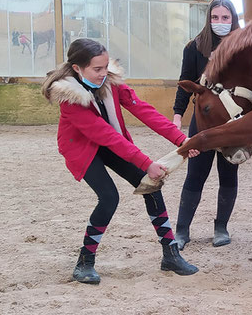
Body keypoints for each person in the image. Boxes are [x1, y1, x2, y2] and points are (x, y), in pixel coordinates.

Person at [42, 38, 200, 285]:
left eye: (106, 66)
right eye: (97, 69)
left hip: (111, 140)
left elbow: (143, 110)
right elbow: (103, 134)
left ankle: (170, 255)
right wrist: (147, 163)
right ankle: (84, 263)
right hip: (83, 147)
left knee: (151, 186)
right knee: (108, 197)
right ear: (77, 69)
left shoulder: (110, 81)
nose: (104, 73)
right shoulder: (69, 98)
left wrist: (182, 140)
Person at [172, 0, 240, 250]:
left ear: (233, 19)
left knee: (228, 173)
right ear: (208, 19)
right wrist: (178, 114)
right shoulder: (194, 48)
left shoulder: (245, 47)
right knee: (195, 174)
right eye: (215, 18)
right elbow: (185, 81)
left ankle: (221, 227)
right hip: (202, 120)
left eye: (225, 18)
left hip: (232, 122)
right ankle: (181, 230)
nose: (220, 23)